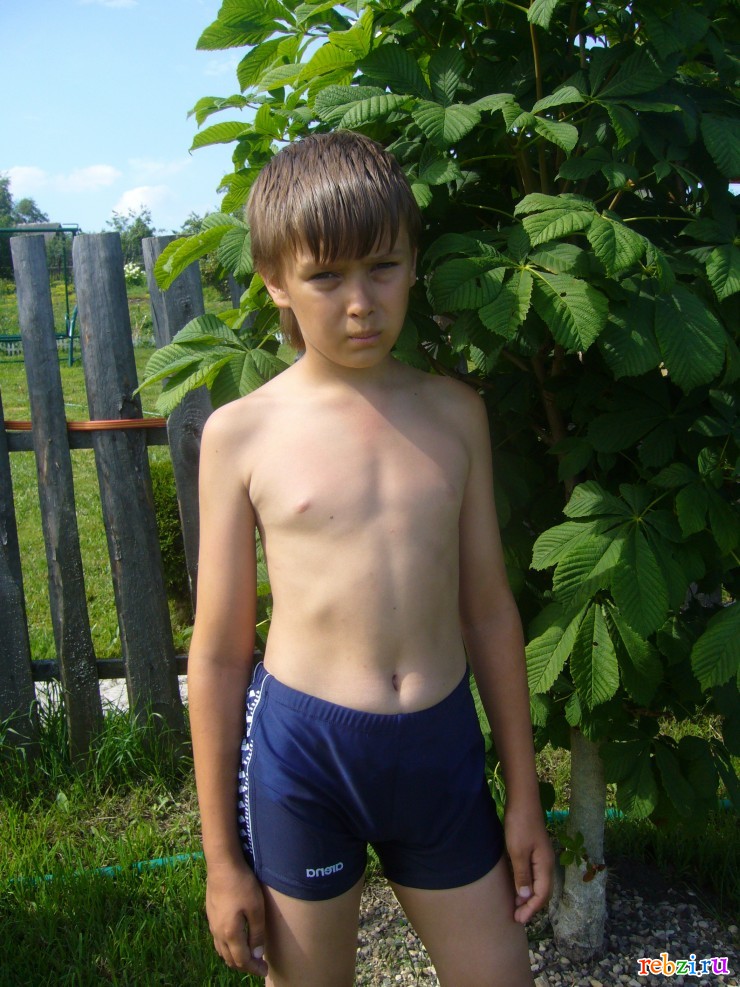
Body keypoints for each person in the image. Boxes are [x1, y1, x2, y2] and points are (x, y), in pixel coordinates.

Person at [188, 130, 554, 987]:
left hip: (439, 745)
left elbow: (488, 611)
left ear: (414, 262)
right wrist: (221, 857)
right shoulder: (242, 433)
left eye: (383, 267)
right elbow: (218, 653)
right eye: (326, 277)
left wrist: (526, 796)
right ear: (275, 280)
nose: (361, 303)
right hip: (306, 758)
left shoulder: (455, 414)